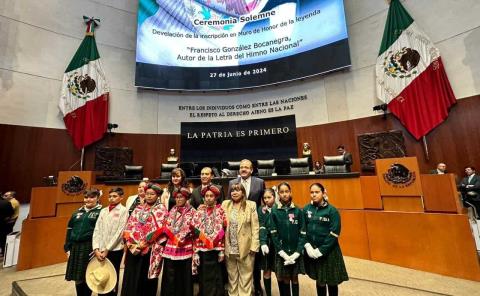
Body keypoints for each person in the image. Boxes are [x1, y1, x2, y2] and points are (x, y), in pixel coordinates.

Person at [121, 183, 168, 296]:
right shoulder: (138, 208)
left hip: (150, 249)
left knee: (145, 278)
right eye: (147, 194)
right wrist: (132, 243)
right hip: (134, 248)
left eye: (152, 194)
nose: (149, 196)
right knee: (131, 276)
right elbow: (129, 225)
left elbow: (161, 229)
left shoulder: (161, 209)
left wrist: (145, 243)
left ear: (157, 195)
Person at [227, 159, 265, 295]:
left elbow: (263, 203)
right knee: (233, 273)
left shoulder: (260, 182)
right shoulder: (232, 183)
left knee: (250, 269)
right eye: (241, 167)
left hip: (249, 229)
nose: (243, 169)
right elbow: (226, 206)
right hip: (232, 237)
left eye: (246, 167)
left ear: (251, 169)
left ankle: (256, 288)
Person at [303, 183, 349, 296]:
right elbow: (302, 229)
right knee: (320, 281)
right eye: (312, 192)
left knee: (332, 281)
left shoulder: (332, 210)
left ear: (323, 193)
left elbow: (334, 233)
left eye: (317, 192)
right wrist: (307, 246)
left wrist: (321, 250)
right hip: (312, 251)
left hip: (329, 252)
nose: (314, 195)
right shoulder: (306, 209)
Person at [222, 182, 259, 296]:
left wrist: (254, 246)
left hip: (246, 248)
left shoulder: (250, 205)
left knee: (245, 277)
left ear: (243, 193)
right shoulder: (225, 204)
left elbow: (255, 227)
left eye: (238, 190)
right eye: (232, 190)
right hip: (229, 247)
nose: (234, 192)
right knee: (232, 277)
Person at [269, 182, 306, 296]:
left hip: (295, 252)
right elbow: (273, 234)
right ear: (278, 195)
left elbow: (303, 232)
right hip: (282, 252)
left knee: (294, 278)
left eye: (287, 191)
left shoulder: (298, 211)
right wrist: (282, 252)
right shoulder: (274, 211)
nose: (284, 194)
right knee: (285, 278)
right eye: (281, 192)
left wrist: (298, 252)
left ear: (290, 193)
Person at [64, 189, 102, 296]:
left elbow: (102, 232)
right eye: (86, 197)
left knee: (88, 274)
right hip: (75, 247)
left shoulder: (101, 212)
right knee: (77, 276)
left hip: (90, 246)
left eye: (91, 197)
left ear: (97, 198)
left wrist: (97, 248)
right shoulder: (76, 212)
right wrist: (67, 247)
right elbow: (69, 230)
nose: (88, 199)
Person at [92, 187, 128, 296]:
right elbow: (97, 229)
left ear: (121, 197)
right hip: (100, 250)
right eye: (110, 196)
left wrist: (107, 249)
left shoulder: (124, 211)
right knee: (101, 275)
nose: (111, 198)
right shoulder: (103, 210)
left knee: (112, 275)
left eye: (115, 196)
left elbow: (119, 232)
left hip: (114, 249)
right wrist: (96, 248)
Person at [192, 185, 227, 296]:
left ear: (216, 198)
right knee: (204, 275)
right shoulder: (199, 212)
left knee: (217, 275)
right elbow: (195, 232)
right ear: (203, 198)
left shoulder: (221, 211)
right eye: (206, 196)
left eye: (211, 196)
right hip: (202, 249)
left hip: (216, 249)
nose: (208, 198)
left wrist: (221, 249)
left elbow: (223, 230)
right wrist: (196, 252)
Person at [161, 187, 196, 296]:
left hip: (185, 246)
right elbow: (167, 225)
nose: (178, 199)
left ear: (186, 198)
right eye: (176, 197)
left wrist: (181, 237)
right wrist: (173, 236)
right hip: (171, 245)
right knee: (170, 275)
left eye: (181, 197)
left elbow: (192, 227)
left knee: (183, 275)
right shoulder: (172, 209)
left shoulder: (192, 211)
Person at [258, 188, 277, 296]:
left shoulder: (279, 208)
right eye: (264, 198)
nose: (266, 200)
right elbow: (262, 225)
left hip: (277, 243)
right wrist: (263, 242)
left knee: (279, 272)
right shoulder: (261, 209)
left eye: (269, 197)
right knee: (266, 270)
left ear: (274, 197)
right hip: (266, 242)